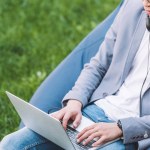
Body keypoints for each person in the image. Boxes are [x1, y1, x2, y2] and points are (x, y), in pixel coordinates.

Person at [1, 0, 150, 149]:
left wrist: (121, 128)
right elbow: (98, 65)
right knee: (11, 143)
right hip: (95, 111)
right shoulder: (132, 6)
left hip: (132, 131)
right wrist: (75, 102)